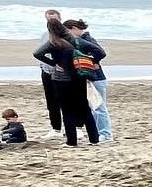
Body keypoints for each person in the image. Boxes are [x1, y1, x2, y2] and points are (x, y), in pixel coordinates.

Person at [32, 18, 102, 146]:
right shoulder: (77, 40)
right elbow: (100, 52)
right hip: (79, 77)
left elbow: (37, 53)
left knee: (67, 110)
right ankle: (94, 139)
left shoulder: (53, 43)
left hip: (61, 79)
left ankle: (72, 141)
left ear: (50, 31)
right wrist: (91, 61)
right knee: (84, 107)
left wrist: (54, 63)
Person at [64, 20, 112, 141]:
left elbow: (101, 53)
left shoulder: (86, 39)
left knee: (99, 107)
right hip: (89, 78)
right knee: (92, 107)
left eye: (68, 31)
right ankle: (99, 133)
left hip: (96, 78)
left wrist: (93, 61)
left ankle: (105, 134)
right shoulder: (82, 40)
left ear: (73, 28)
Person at [36, 8, 63, 139]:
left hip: (62, 72)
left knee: (66, 100)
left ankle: (77, 127)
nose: (51, 22)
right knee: (51, 101)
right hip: (47, 71)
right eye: (48, 20)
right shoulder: (45, 35)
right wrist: (45, 65)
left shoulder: (65, 34)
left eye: (53, 19)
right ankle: (56, 128)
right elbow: (40, 53)